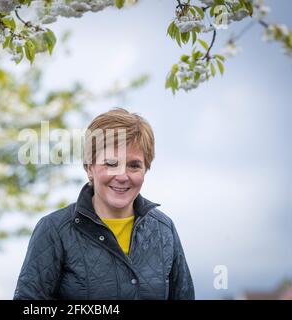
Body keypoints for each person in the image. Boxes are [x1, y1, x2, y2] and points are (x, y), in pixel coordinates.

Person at [13, 108, 195, 300]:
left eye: (134, 165)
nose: (122, 176)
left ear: (145, 169)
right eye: (110, 163)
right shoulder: (54, 230)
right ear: (89, 167)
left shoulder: (164, 230)